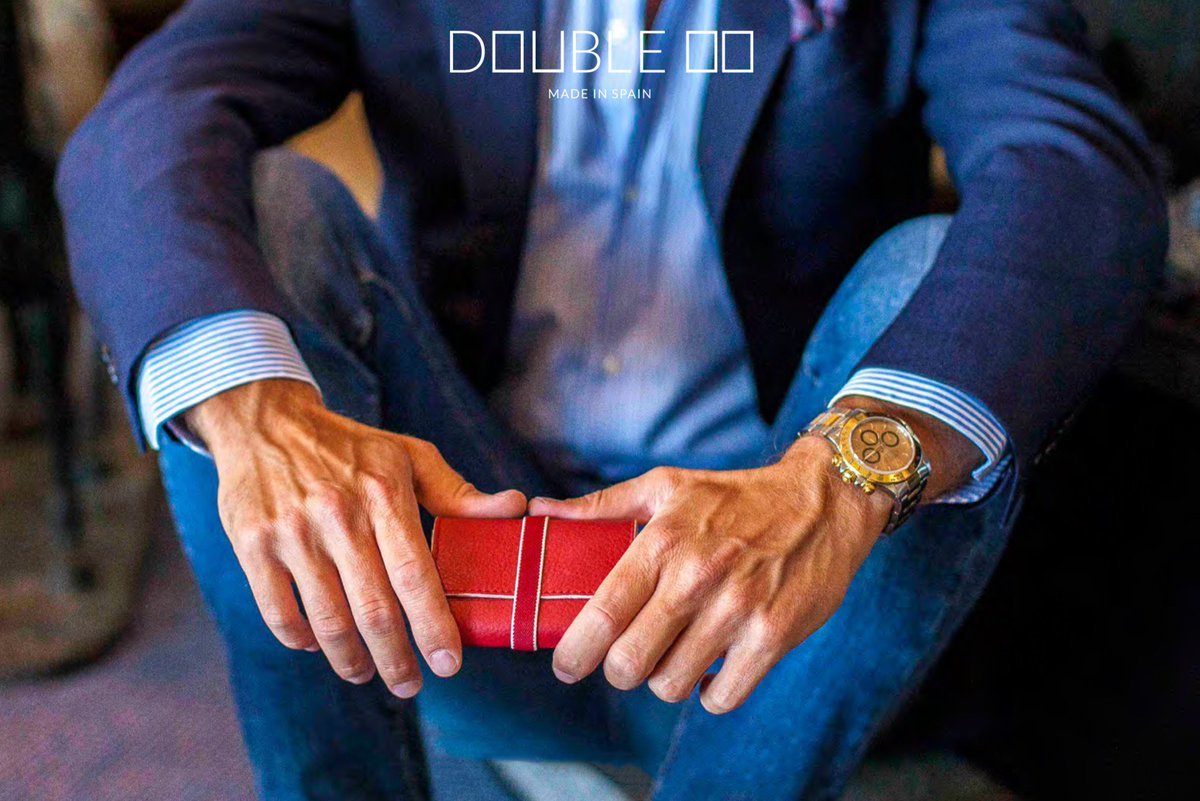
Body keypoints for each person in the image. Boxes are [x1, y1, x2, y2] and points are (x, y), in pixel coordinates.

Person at [56, 0, 1167, 799]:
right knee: (262, 217)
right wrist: (259, 415)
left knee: (924, 279)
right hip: (456, 575)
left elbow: (1071, 165)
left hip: (774, 610)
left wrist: (831, 483)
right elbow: (152, 116)